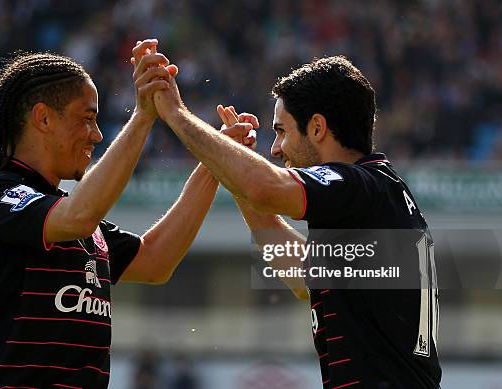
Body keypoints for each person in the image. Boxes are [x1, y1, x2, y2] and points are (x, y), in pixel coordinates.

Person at [140, 45, 441, 388]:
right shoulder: (377, 196)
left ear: (317, 128)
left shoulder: (357, 186)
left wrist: (176, 114)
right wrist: (233, 163)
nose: (275, 148)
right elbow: (299, 273)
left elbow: (266, 188)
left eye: (282, 131)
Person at [0, 40, 222, 389]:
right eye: (87, 118)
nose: (97, 134)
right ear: (43, 118)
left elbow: (156, 262)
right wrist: (143, 116)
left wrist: (216, 162)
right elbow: (78, 216)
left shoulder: (74, 219)